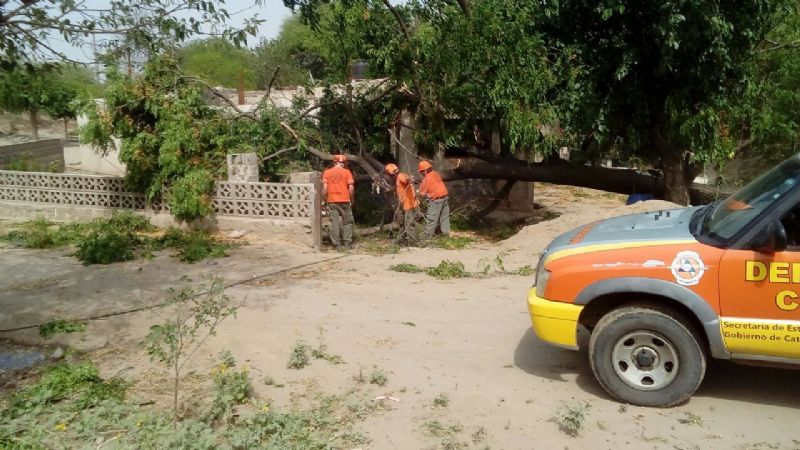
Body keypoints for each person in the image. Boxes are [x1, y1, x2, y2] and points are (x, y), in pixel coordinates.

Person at [322, 154, 355, 249]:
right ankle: (347, 243)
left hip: (332, 200)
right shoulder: (347, 172)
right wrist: (352, 199)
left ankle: (336, 244)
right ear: (343, 163)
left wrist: (323, 200)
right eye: (343, 163)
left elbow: (325, 189)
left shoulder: (327, 172)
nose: (343, 164)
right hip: (345, 200)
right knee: (347, 222)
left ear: (334, 162)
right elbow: (351, 189)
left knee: (334, 222)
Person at [384, 163, 420, 243]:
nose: (389, 177)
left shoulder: (400, 176)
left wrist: (409, 179)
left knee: (409, 224)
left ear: (393, 174)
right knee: (402, 222)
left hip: (410, 205)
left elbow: (406, 180)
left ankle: (414, 242)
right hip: (403, 204)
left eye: (390, 175)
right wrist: (390, 190)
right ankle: (401, 238)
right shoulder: (397, 178)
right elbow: (399, 187)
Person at [417, 160, 449, 240]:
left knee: (431, 218)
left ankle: (427, 236)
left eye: (421, 171)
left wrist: (416, 199)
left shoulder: (426, 179)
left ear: (424, 171)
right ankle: (445, 235)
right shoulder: (435, 174)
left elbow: (422, 194)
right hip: (445, 198)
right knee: (444, 218)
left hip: (436, 200)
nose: (420, 173)